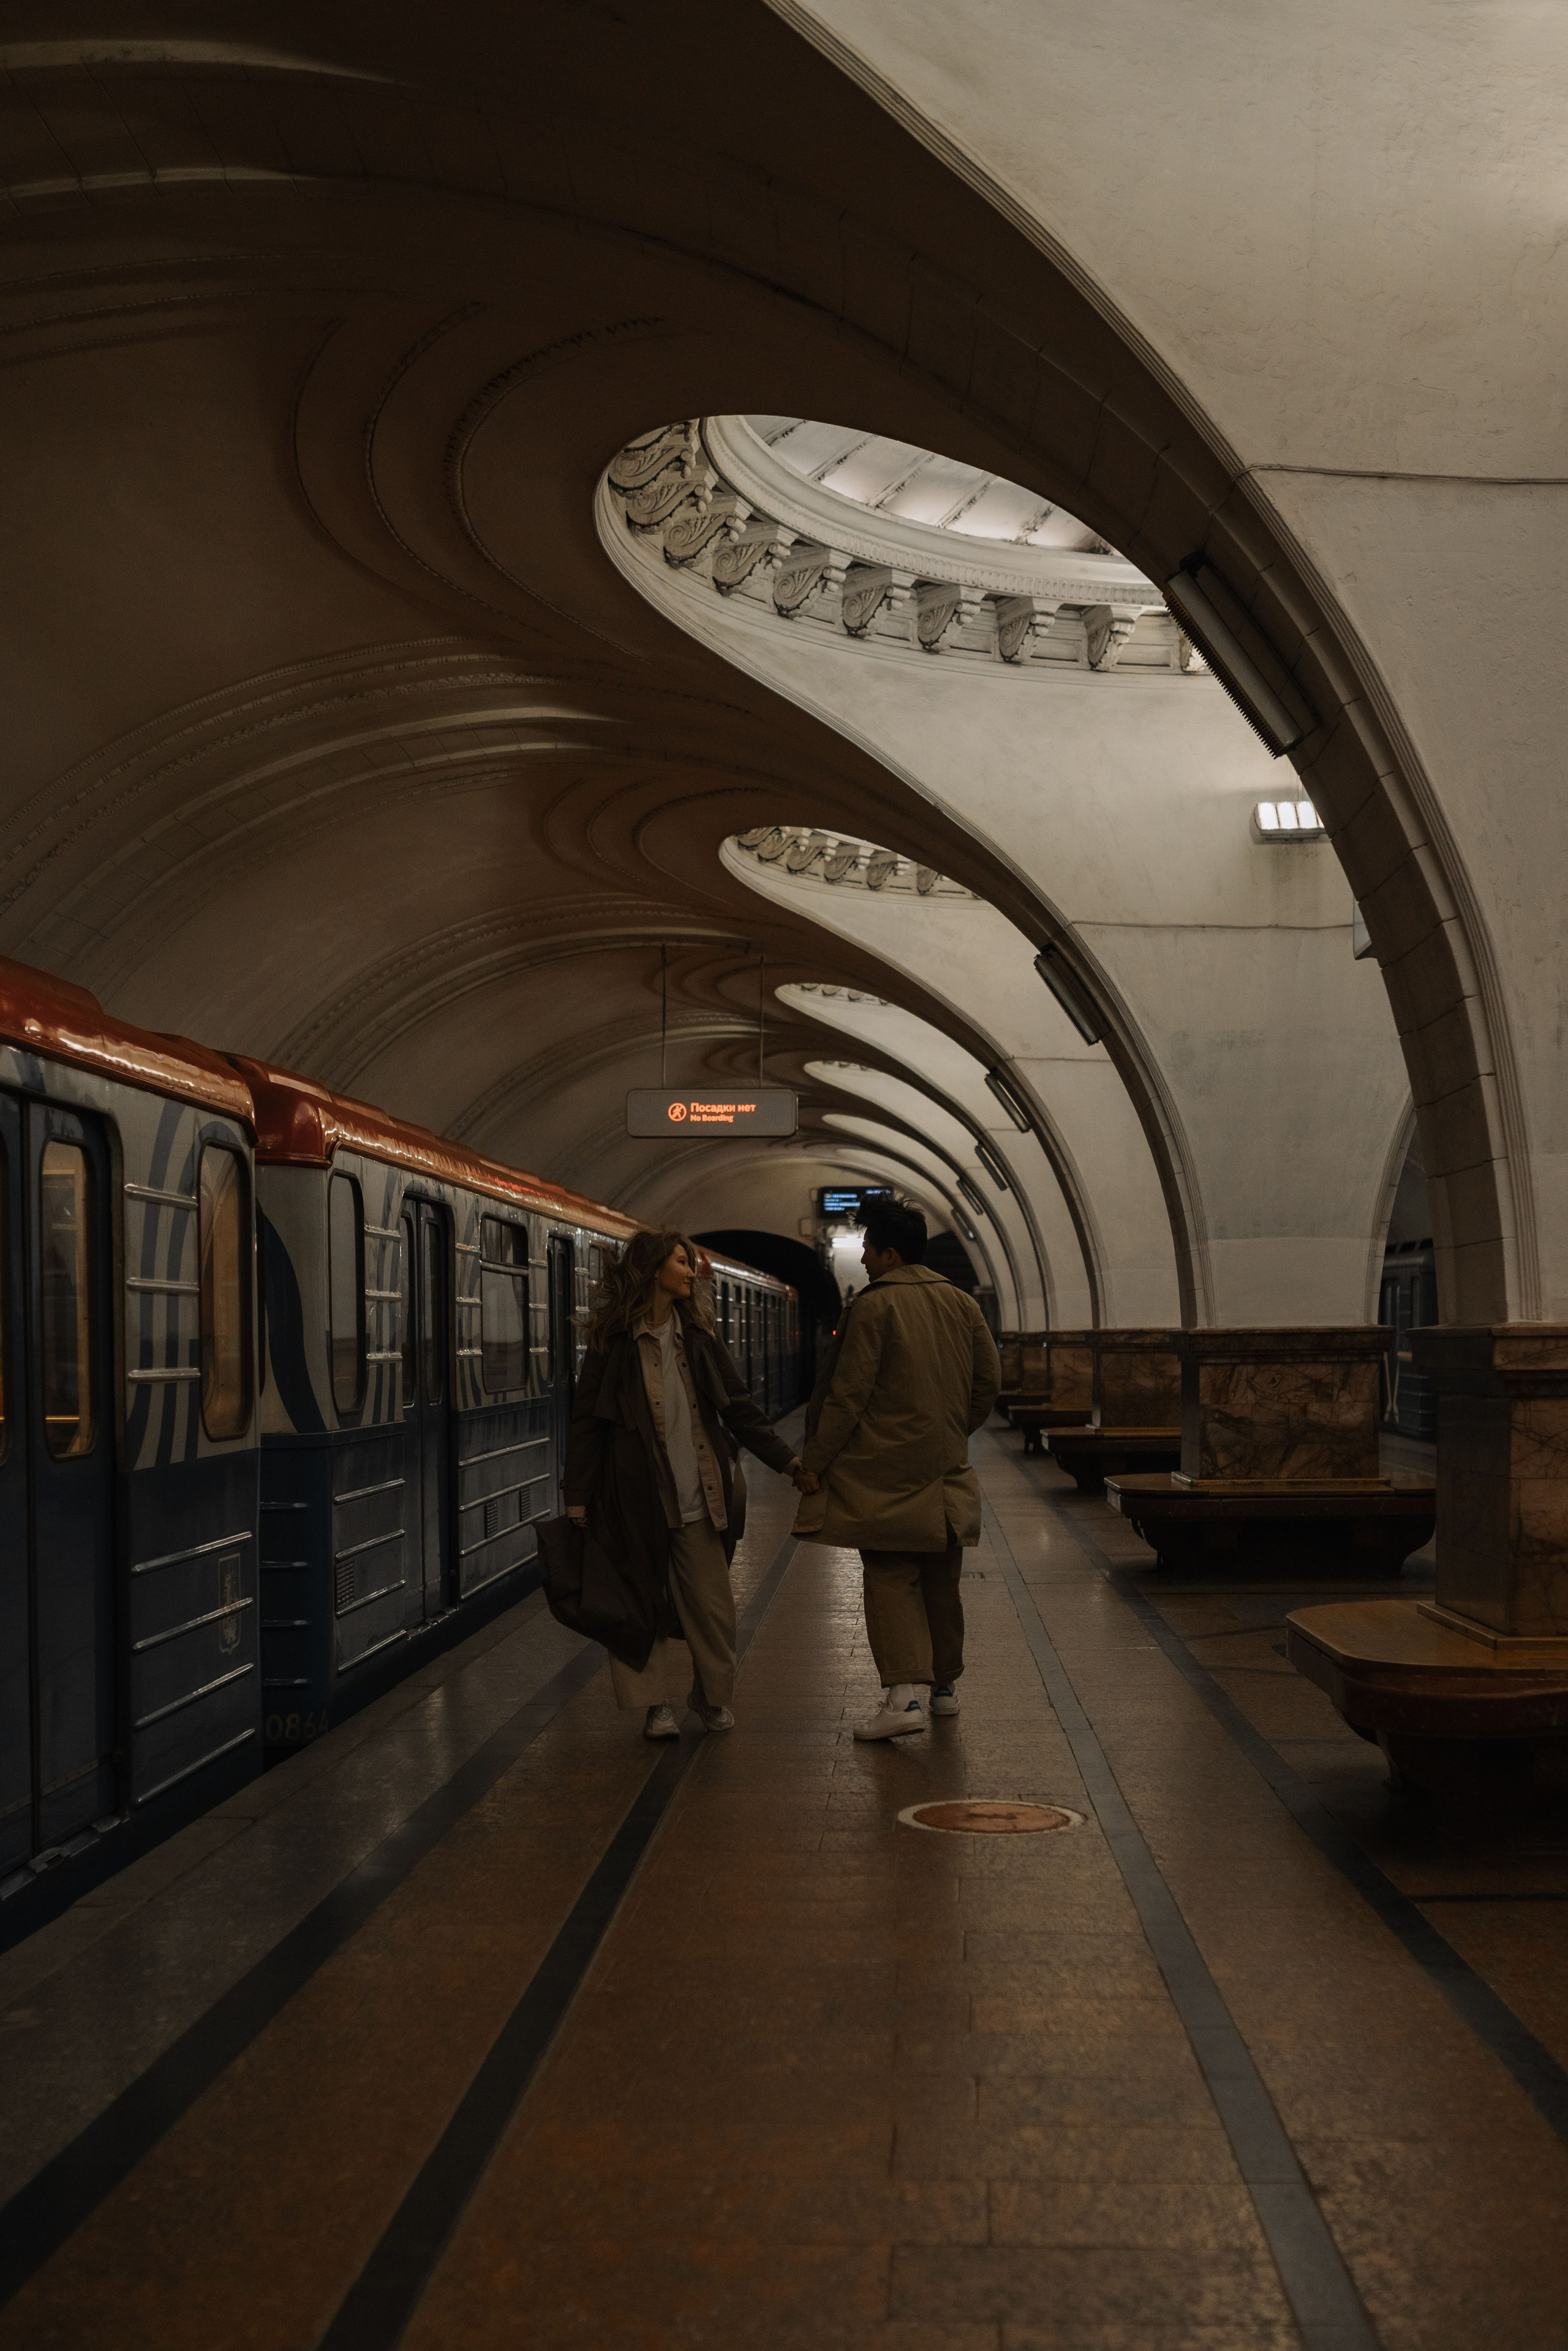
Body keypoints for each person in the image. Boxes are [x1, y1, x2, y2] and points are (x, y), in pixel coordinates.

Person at [564, 1229, 810, 1739]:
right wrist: (578, 1497)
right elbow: (587, 1423)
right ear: (656, 1269)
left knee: (713, 1609)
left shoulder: (698, 1339)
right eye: (682, 1261)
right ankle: (655, 1707)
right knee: (639, 1606)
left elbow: (739, 1408)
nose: (690, 1271)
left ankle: (710, 1697)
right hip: (635, 1501)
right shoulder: (613, 1345)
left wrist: (788, 1463)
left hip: (701, 1499)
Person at [793, 1201, 1000, 1740]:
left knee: (889, 1578)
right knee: (941, 1582)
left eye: (866, 1250)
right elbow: (987, 1386)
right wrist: (951, 1432)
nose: (862, 1259)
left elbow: (847, 1395)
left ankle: (903, 1698)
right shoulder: (962, 1304)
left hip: (882, 1475)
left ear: (889, 1253)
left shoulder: (873, 1307)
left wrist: (814, 1463)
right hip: (946, 1473)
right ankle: (945, 1689)